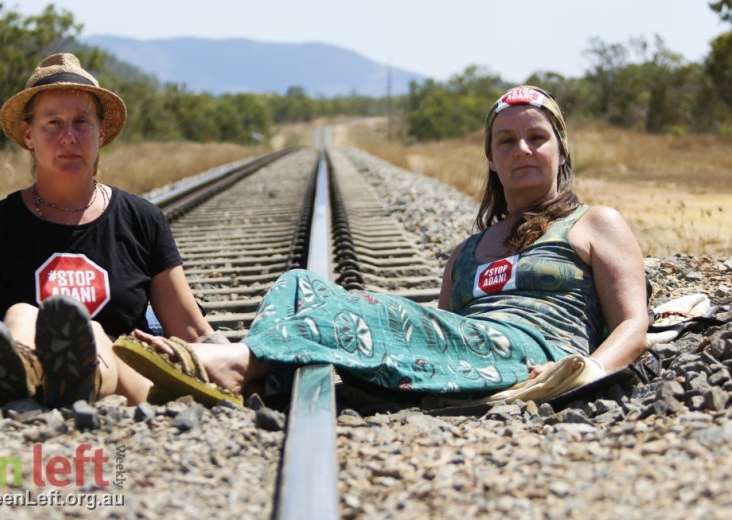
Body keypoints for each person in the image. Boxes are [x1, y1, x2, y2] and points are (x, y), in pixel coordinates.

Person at [116, 85, 649, 403]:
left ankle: (236, 365)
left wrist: (590, 371)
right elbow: (442, 341)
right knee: (299, 285)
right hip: (471, 350)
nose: (522, 149)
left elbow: (633, 322)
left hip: (538, 353)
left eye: (537, 137)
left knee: (378, 313)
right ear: (491, 158)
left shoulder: (595, 223)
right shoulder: (468, 251)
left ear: (560, 149)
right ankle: (250, 364)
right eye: (506, 141)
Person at [0, 53, 217, 423]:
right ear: (28, 134)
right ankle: (28, 379)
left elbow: (191, 329)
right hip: (31, 380)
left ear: (100, 133)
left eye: (81, 122)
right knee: (20, 314)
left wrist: (248, 365)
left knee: (95, 333)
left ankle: (69, 381)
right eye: (52, 122)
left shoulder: (142, 220)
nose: (68, 136)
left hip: (123, 377)